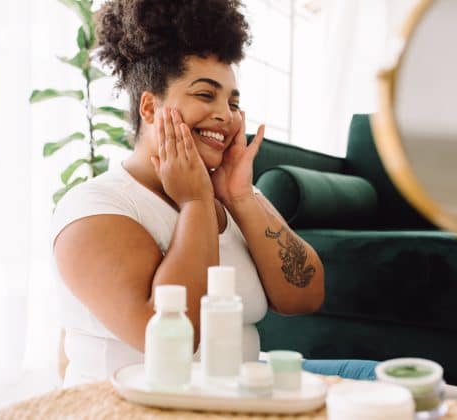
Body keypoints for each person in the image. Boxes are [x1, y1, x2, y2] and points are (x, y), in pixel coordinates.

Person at [52, 0, 375, 387]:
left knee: (438, 395)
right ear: (150, 108)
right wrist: (195, 203)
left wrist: (239, 197)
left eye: (233, 102)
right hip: (139, 406)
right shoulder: (94, 209)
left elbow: (304, 295)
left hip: (246, 387)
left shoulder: (232, 194)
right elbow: (173, 340)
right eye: (206, 95)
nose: (227, 114)